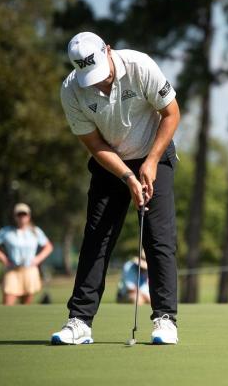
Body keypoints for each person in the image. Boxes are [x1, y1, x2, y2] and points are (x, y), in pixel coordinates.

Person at [51, 32, 180, 345]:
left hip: (154, 154)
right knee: (97, 238)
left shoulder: (140, 66)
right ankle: (79, 321)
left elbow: (171, 113)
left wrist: (149, 163)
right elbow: (94, 144)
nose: (99, 83)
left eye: (102, 73)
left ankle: (165, 319)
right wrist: (127, 176)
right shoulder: (72, 89)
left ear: (107, 50)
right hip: (111, 164)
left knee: (158, 238)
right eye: (90, 78)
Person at [0, 203, 53, 305]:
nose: (22, 217)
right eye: (19, 214)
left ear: (29, 216)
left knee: (26, 305)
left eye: (24, 214)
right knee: (8, 302)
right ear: (15, 216)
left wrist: (37, 259)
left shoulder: (35, 231)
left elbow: (48, 246)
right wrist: (4, 259)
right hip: (12, 270)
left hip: (30, 270)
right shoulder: (6, 231)